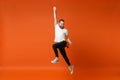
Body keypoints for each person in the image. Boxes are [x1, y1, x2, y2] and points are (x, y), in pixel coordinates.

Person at [51, 6, 74, 74]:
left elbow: (67, 37)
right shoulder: (56, 26)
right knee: (65, 56)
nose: (62, 24)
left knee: (54, 46)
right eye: (61, 23)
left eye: (63, 23)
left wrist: (70, 41)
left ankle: (57, 58)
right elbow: (55, 18)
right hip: (59, 43)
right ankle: (71, 66)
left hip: (63, 42)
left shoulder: (65, 30)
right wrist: (54, 11)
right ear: (59, 23)